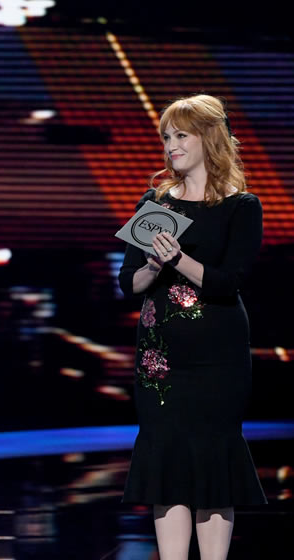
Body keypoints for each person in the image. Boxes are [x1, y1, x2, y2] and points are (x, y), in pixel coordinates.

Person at [119, 94, 266, 559]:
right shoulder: (155, 202)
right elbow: (130, 283)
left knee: (213, 458)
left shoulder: (241, 206)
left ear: (209, 138)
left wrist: (178, 259)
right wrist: (150, 265)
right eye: (166, 137)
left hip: (217, 359)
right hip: (160, 359)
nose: (171, 145)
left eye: (181, 135)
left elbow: (228, 282)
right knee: (166, 458)